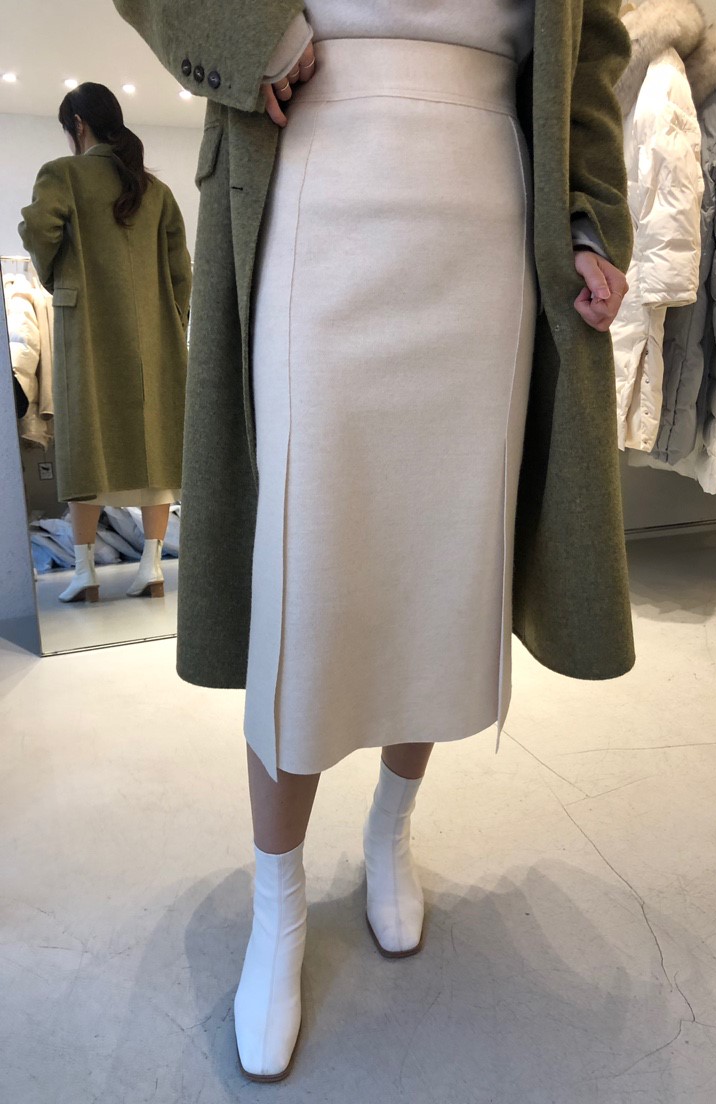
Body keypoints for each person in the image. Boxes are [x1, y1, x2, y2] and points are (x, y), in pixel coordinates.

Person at [114, 0, 633, 1083]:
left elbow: (589, 53)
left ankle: (392, 828)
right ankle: (278, 904)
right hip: (317, 161)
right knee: (306, 575)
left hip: (489, 203)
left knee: (442, 560)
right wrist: (250, 30)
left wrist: (591, 218)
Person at [19, 82, 191, 604]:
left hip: (87, 327)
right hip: (153, 335)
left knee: (84, 442)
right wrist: (171, 322)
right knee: (154, 442)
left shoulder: (63, 174)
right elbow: (181, 272)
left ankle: (85, 571)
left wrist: (59, 280)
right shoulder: (156, 191)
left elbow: (38, 230)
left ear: (78, 125)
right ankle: (151, 568)